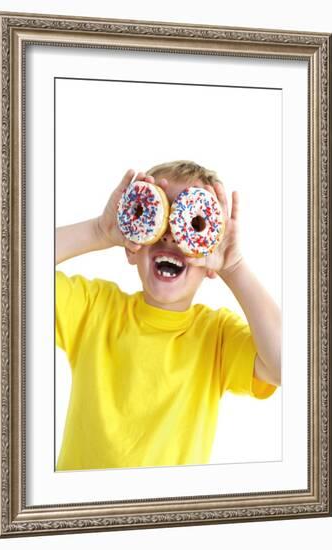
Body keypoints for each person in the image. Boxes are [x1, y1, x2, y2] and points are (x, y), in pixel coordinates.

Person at [55, 160, 281, 471]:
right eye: (158, 219)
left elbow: (292, 366)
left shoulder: (216, 337)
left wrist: (234, 267)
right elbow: (7, 272)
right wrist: (97, 231)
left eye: (192, 224)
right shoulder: (93, 308)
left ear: (208, 260)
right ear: (133, 248)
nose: (171, 236)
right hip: (80, 511)